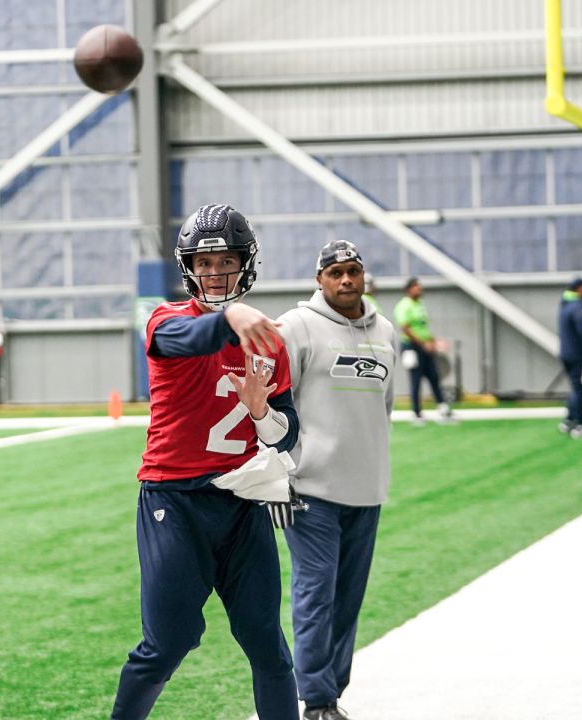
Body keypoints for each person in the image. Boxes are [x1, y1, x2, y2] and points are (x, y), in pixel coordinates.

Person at [112, 203, 304, 720]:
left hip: (240, 505)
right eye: (204, 262)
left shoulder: (269, 344)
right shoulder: (167, 320)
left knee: (268, 644)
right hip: (174, 501)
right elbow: (187, 338)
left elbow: (287, 434)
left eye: (225, 261)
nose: (214, 272)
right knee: (167, 644)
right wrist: (230, 321)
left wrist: (261, 412)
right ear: (189, 269)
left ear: (245, 263)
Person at [277, 240, 396, 720]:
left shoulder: (385, 330)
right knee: (315, 593)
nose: (346, 280)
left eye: (353, 271)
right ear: (319, 280)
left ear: (363, 276)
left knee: (347, 601)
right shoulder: (296, 327)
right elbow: (269, 405)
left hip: (366, 489)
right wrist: (277, 475)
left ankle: (332, 690)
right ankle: (318, 700)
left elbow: (384, 407)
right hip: (310, 491)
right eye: (335, 273)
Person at [392, 277, 451, 426]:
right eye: (417, 287)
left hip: (426, 346)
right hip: (411, 347)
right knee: (415, 378)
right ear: (409, 289)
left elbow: (423, 327)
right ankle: (416, 412)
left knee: (434, 376)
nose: (420, 290)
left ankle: (443, 408)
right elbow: (406, 328)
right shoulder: (404, 305)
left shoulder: (420, 304)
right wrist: (423, 344)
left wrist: (433, 341)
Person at [558, 277, 582, 436]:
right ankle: (579, 423)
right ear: (580, 288)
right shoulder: (577, 307)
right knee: (580, 389)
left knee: (575, 388)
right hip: (576, 354)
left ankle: (570, 420)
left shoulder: (565, 304)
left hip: (566, 352)